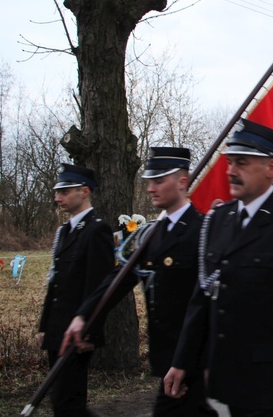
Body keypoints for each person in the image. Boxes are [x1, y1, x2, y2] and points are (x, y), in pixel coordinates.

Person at [164, 119, 273, 416]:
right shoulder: (218, 219)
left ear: (271, 168)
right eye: (230, 162)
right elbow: (202, 298)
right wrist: (182, 361)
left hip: (271, 381)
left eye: (241, 163)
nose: (230, 171)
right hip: (229, 375)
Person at [59, 148, 217, 415]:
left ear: (182, 182)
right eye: (148, 182)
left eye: (158, 181)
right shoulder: (154, 233)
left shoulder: (202, 232)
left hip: (192, 358)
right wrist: (84, 316)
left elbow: (210, 302)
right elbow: (120, 278)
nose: (150, 189)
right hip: (167, 356)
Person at [37, 163, 115, 416]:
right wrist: (44, 325)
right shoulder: (64, 232)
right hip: (57, 328)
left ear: (84, 191)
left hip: (78, 331)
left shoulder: (97, 230)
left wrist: (89, 332)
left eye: (65, 191)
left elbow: (99, 287)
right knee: (62, 402)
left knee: (68, 401)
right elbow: (55, 281)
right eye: (57, 192)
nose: (57, 198)